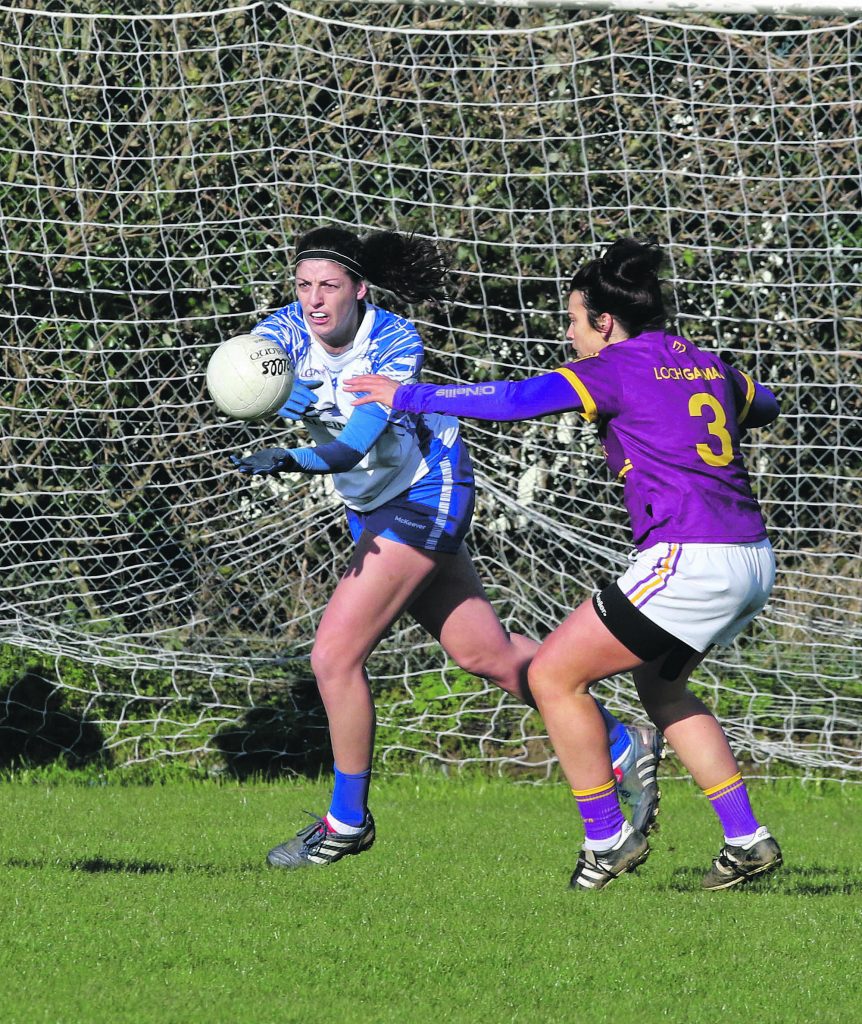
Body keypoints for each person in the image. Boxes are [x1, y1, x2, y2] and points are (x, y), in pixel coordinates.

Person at [345, 237, 783, 891]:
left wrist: (405, 396)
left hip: (692, 558)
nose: (571, 334)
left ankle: (607, 841)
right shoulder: (703, 362)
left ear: (605, 322)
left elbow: (513, 400)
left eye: (574, 321)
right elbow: (766, 404)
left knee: (551, 676)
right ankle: (746, 840)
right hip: (752, 557)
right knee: (661, 687)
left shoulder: (616, 367)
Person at [230, 226, 661, 871]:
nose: (315, 299)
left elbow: (352, 446)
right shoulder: (284, 331)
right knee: (481, 652)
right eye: (304, 284)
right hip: (371, 502)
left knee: (333, 656)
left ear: (359, 290)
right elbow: (246, 366)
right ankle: (623, 744)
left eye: (330, 285)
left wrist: (293, 454)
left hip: (426, 491)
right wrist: (257, 386)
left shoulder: (395, 340)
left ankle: (345, 821)